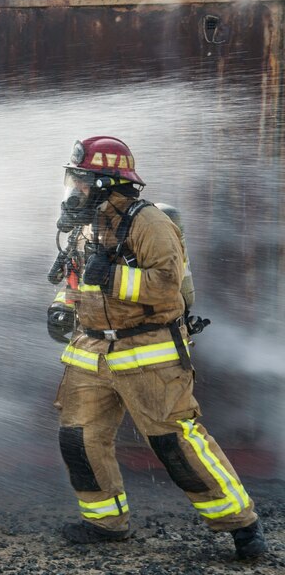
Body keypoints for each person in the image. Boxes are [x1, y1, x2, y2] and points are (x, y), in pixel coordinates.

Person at [46, 136, 267, 559]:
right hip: (90, 351)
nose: (75, 190)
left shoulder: (149, 224)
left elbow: (167, 289)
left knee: (175, 444)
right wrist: (61, 307)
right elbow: (77, 281)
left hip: (148, 354)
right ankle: (106, 523)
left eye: (83, 181)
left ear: (108, 183)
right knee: (79, 439)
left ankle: (242, 525)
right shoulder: (87, 225)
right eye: (73, 181)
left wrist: (112, 278)